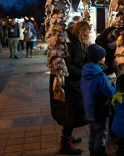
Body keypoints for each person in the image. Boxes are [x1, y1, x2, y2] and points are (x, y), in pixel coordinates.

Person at [49, 21, 91, 155]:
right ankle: (65, 144)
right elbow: (66, 66)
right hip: (67, 85)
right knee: (69, 113)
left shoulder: (72, 40)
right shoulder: (69, 41)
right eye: (84, 35)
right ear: (79, 31)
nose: (85, 38)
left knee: (70, 113)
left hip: (71, 83)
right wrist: (83, 71)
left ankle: (67, 137)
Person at [80, 44, 116, 156]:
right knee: (101, 132)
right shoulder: (100, 75)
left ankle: (92, 150)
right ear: (99, 58)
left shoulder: (85, 72)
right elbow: (109, 92)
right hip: (99, 110)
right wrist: (114, 85)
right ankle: (99, 152)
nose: (105, 58)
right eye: (103, 56)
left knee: (93, 131)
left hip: (88, 108)